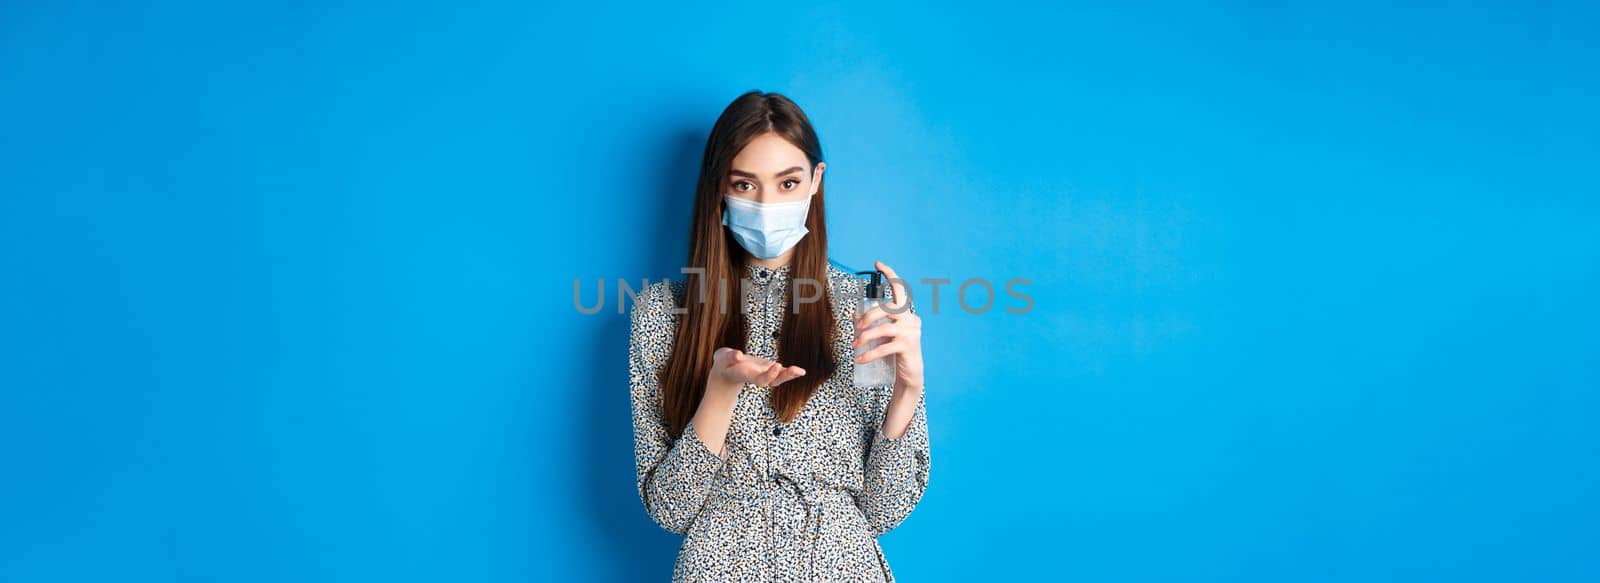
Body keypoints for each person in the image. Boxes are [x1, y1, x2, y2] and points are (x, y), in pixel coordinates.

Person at [627, 90, 932, 581]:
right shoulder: (662, 312)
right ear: (718, 191)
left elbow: (882, 512)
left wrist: (906, 393)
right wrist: (720, 391)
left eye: (788, 182)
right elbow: (671, 511)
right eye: (745, 185)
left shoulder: (870, 308)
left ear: (815, 181)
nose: (768, 204)